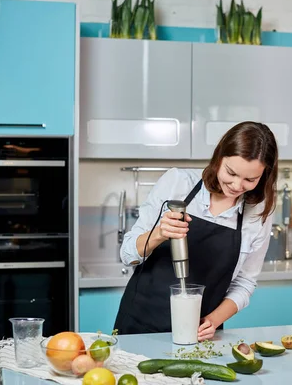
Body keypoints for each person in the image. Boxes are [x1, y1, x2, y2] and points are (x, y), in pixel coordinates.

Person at [114, 121, 278, 341]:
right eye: (231, 172)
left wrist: (214, 320)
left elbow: (245, 283)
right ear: (219, 158)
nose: (237, 186)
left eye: (250, 179)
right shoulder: (177, 183)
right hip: (139, 325)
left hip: (197, 334)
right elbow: (127, 254)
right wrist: (159, 233)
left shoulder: (258, 212)